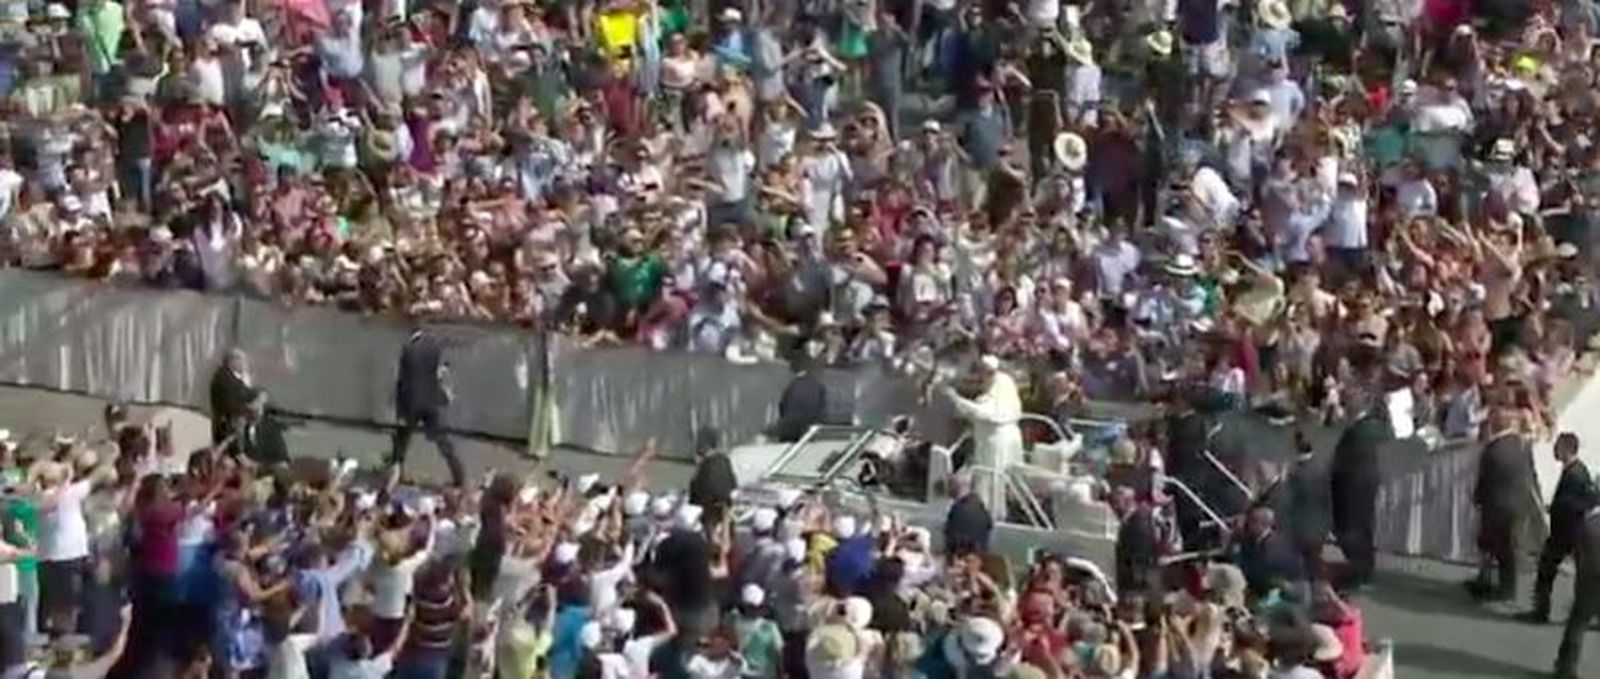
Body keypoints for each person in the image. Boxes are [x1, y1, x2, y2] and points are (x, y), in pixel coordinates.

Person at [1522, 432, 1597, 623]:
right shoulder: (1575, 470)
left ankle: (1541, 612)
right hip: (1568, 531)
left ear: (1566, 448)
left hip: (1567, 532)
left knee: (1547, 571)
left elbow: (1586, 501)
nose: (1554, 450)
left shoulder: (1576, 473)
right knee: (1581, 576)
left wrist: (1558, 507)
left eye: (1557, 446)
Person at [1469, 406, 1539, 603]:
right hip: (1516, 503)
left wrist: (1478, 498)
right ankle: (1504, 587)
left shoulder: (1492, 450)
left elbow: (1485, 480)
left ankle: (1493, 585)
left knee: (1494, 547)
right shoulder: (1522, 446)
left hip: (1495, 505)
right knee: (1507, 549)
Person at [945, 356, 1024, 512]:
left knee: (994, 480)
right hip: (994, 440)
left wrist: (955, 399)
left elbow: (986, 413)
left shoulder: (1002, 384)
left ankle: (993, 512)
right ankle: (990, 509)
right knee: (988, 478)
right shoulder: (998, 384)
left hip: (996, 442)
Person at [391, 327, 463, 487]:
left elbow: (403, 381)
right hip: (431, 402)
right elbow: (437, 373)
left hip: (411, 403)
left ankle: (395, 476)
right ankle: (458, 476)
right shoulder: (434, 346)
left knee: (401, 444)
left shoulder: (408, 349)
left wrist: (399, 407)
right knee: (443, 441)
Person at [1329, 407, 1387, 590]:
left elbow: (1346, 460)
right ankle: (1363, 571)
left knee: (1353, 529)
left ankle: (1357, 572)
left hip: (1354, 486)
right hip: (1361, 486)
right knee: (1362, 528)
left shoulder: (1359, 431)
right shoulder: (1363, 429)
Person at [1554, 504, 1600, 678]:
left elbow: (1578, 554)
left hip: (1591, 578)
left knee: (1578, 621)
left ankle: (1566, 669)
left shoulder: (1590, 523)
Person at [208, 349, 261, 453]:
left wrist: (260, 395)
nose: (244, 364)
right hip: (227, 425)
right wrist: (249, 411)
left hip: (233, 423)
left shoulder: (232, 378)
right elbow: (231, 405)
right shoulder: (224, 378)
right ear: (232, 361)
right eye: (241, 360)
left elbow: (247, 393)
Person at [687, 429, 737, 526]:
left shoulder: (705, 464)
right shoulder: (725, 460)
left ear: (704, 444)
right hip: (726, 505)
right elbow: (733, 482)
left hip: (709, 507)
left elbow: (696, 488)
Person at [943, 472, 991, 558]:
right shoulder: (981, 508)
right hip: (978, 559)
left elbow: (953, 541)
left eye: (950, 484)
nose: (947, 488)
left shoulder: (959, 510)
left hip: (962, 560)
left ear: (957, 486)